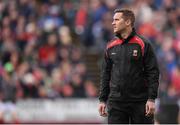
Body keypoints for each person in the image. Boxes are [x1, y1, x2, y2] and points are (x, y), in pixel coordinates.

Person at [98, 9, 160, 124]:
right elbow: (105, 74)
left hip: (140, 102)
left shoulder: (143, 44)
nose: (113, 23)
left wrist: (151, 99)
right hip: (116, 102)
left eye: (116, 19)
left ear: (127, 22)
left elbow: (153, 73)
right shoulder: (110, 46)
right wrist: (102, 99)